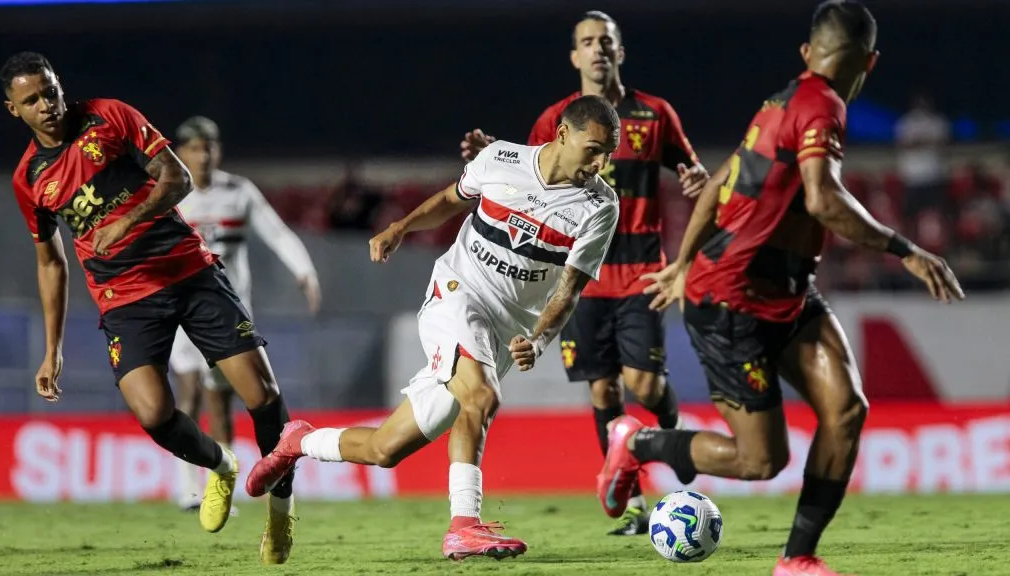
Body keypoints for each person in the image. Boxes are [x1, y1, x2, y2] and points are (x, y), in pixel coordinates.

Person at [598, 3, 964, 575]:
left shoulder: (781, 102)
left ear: (806, 53)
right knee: (760, 460)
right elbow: (822, 199)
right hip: (731, 300)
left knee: (846, 410)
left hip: (787, 292)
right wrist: (907, 251)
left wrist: (684, 257)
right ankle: (638, 444)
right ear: (870, 62)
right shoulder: (823, 107)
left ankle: (797, 560)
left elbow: (721, 178)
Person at [246, 95, 622, 561]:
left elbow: (569, 289)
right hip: (456, 293)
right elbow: (450, 199)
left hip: (506, 330)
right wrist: (400, 227)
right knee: (481, 396)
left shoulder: (600, 206)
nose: (601, 162)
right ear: (563, 134)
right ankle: (464, 525)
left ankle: (297, 440)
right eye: (593, 149)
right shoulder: (502, 158)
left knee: (386, 449)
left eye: (608, 153)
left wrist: (541, 337)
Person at [2, 52, 298, 565]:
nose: (47, 105)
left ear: (59, 84)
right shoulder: (29, 180)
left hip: (189, 272)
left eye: (50, 91)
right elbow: (50, 264)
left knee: (263, 395)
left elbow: (177, 178)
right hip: (124, 297)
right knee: (154, 413)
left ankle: (280, 511)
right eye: (32, 100)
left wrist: (128, 219)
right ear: (14, 110)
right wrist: (52, 351)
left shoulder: (109, 115)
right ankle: (221, 464)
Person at [459, 10, 708, 536]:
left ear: (621, 51)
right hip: (575, 275)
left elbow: (692, 171)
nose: (597, 49)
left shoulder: (655, 113)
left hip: (641, 272)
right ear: (574, 56)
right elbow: (528, 173)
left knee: (644, 382)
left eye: (606, 41)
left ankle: (672, 434)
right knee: (604, 393)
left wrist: (695, 179)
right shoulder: (556, 118)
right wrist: (489, 156)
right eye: (587, 42)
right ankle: (636, 504)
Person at [170, 116, 321, 512]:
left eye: (210, 147)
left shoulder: (238, 191)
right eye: (195, 148)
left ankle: (218, 488)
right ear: (180, 152)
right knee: (188, 393)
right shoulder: (170, 193)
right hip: (182, 310)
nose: (203, 156)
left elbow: (277, 232)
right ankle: (188, 488)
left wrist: (304, 271)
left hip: (228, 313)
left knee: (220, 401)